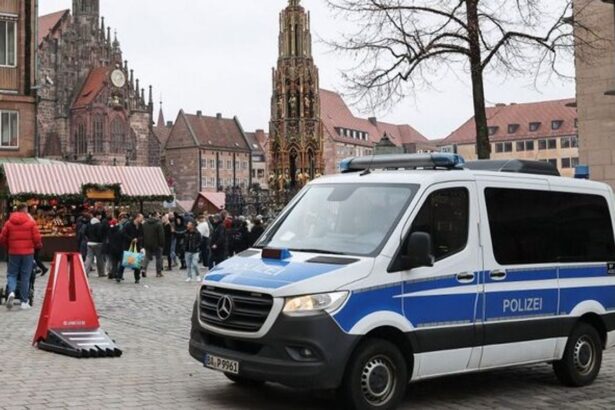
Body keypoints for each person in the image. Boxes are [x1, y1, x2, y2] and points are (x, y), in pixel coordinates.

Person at [0, 205, 42, 310]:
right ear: (25, 211)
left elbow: (2, 238)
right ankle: (24, 302)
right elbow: (37, 238)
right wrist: (37, 246)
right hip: (28, 253)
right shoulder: (31, 222)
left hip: (13, 252)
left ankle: (11, 292)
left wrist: (8, 246)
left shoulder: (9, 223)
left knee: (12, 274)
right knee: (25, 276)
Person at [120, 213, 144, 284]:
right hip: (128, 245)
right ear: (137, 217)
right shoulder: (128, 225)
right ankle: (119, 276)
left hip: (136, 246)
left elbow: (142, 235)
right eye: (141, 218)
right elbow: (124, 234)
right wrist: (131, 239)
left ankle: (137, 278)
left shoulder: (140, 225)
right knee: (124, 261)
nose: (142, 219)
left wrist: (138, 239)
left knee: (137, 262)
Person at [142, 213, 165, 278]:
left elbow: (142, 234)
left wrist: (143, 243)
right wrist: (162, 244)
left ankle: (143, 269)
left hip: (147, 243)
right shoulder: (159, 224)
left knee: (147, 257)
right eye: (158, 216)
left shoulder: (144, 224)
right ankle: (158, 273)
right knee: (159, 258)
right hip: (157, 244)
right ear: (156, 216)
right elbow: (161, 235)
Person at [84, 213, 106, 278]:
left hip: (89, 243)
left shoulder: (88, 224)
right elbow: (100, 234)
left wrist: (89, 238)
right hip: (97, 243)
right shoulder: (99, 225)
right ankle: (101, 273)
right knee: (99, 258)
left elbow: (85, 232)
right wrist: (101, 240)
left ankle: (85, 272)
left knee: (89, 257)